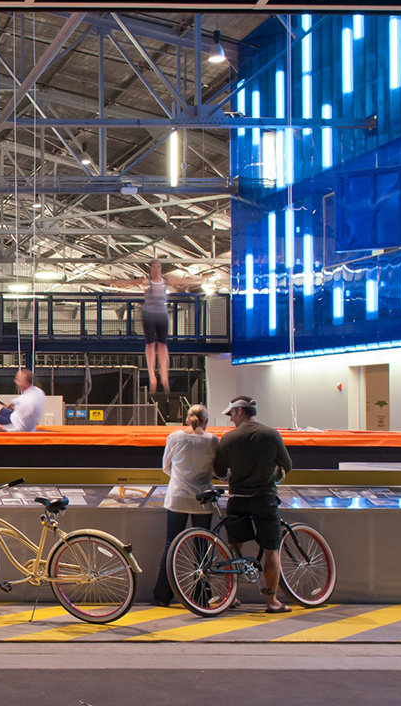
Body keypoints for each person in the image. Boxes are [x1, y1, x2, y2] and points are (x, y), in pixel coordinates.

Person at [213, 395, 293, 613]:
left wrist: (230, 476)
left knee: (233, 549)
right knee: (271, 551)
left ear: (239, 412)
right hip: (265, 499)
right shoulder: (271, 434)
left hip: (238, 499)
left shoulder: (229, 439)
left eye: (231, 415)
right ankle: (272, 602)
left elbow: (219, 471)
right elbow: (287, 465)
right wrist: (272, 476)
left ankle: (231, 597)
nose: (231, 420)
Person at [152, 404, 220, 607]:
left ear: (187, 419)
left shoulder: (175, 438)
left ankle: (162, 595)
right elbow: (217, 470)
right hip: (202, 500)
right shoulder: (212, 441)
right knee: (202, 548)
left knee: (171, 545)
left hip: (178, 497)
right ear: (206, 421)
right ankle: (200, 596)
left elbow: (166, 467)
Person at [143, 261, 170, 394]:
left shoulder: (165, 281)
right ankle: (152, 375)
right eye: (154, 267)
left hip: (161, 315)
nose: (157, 269)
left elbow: (183, 280)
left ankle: (164, 374)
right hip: (149, 315)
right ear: (150, 269)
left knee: (162, 345)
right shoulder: (146, 282)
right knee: (150, 345)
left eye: (159, 266)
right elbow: (131, 282)